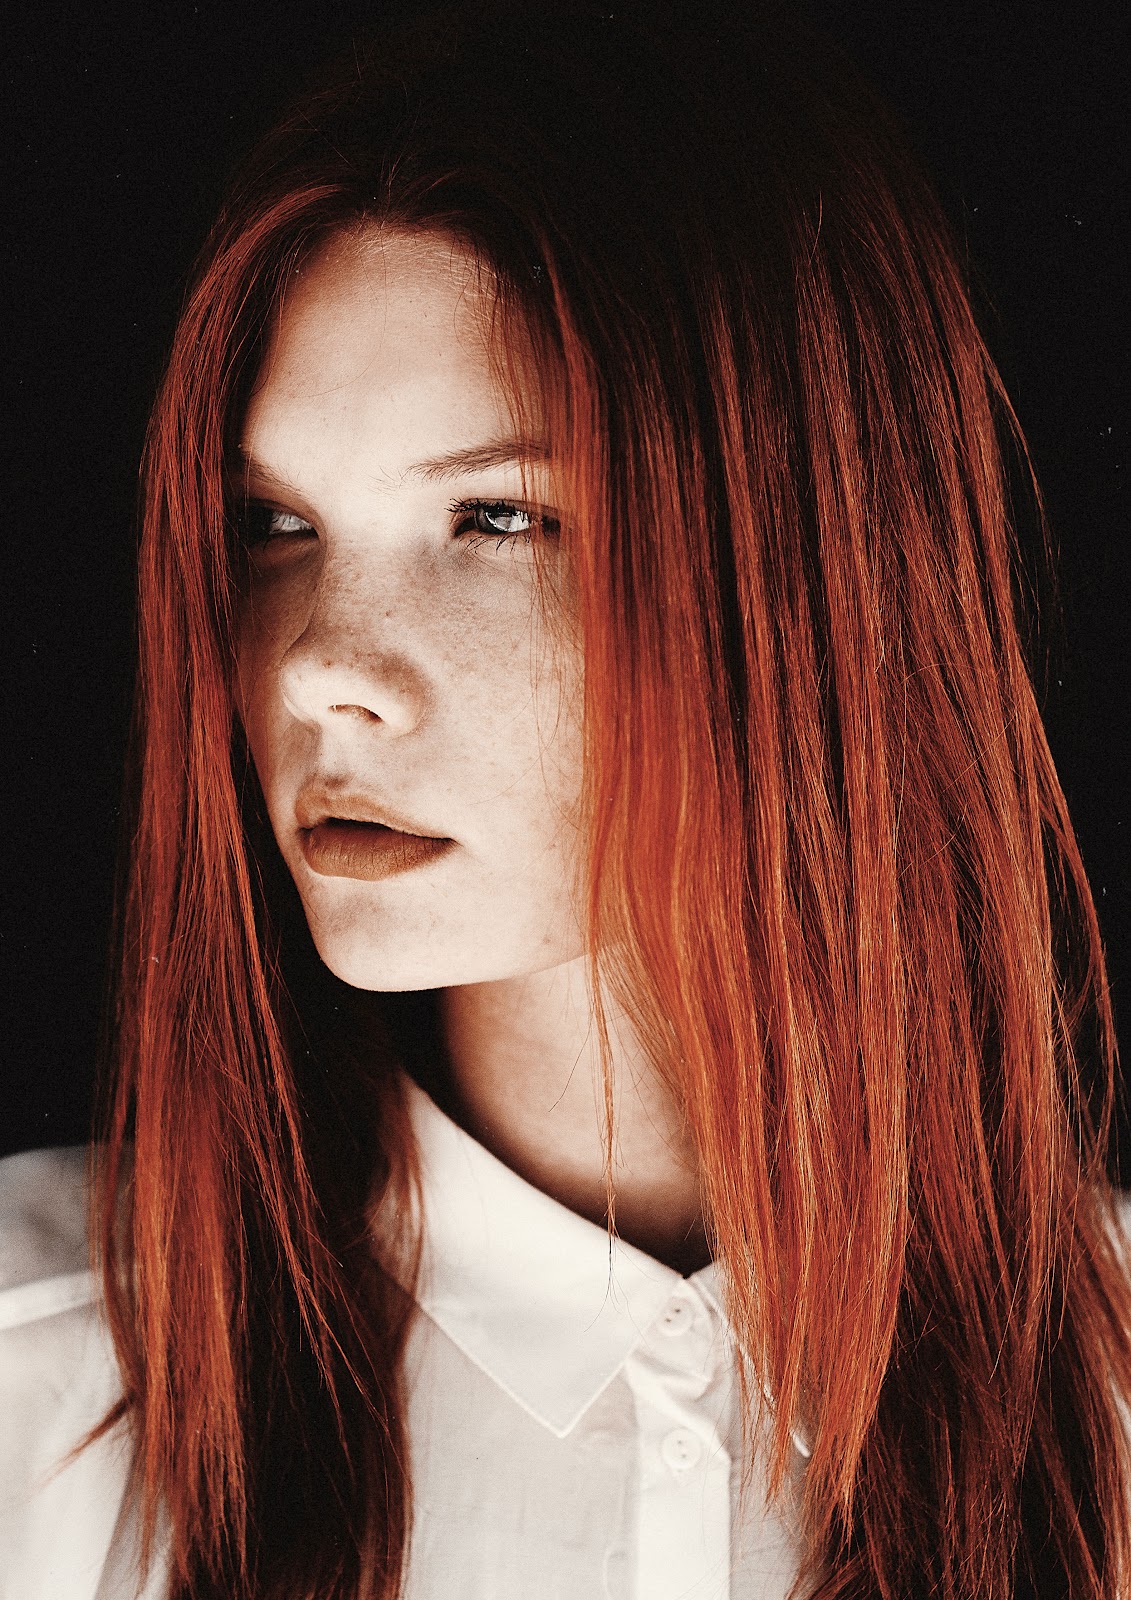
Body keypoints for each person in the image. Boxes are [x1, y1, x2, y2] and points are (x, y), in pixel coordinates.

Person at [2, 3, 1129, 1596]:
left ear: (806, 568)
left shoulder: (1108, 1408)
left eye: (497, 517)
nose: (320, 670)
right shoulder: (35, 1388)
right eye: (275, 523)